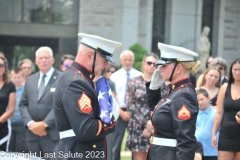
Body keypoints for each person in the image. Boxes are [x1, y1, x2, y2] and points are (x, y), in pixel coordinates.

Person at [53, 33, 121, 160]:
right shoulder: (77, 82)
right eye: (104, 59)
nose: (106, 65)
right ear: (90, 56)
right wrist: (111, 119)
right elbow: (86, 130)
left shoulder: (79, 78)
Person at [145, 42, 201, 160]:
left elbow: (186, 140)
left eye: (165, 65)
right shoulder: (175, 91)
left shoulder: (183, 95)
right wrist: (153, 88)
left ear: (179, 68)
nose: (160, 69)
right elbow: (155, 109)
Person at [19, 47, 61, 159]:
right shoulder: (30, 79)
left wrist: (44, 124)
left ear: (52, 60)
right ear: (36, 61)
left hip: (51, 134)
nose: (43, 60)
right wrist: (31, 124)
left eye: (46, 57)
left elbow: (61, 105)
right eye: (40, 58)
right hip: (32, 135)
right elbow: (23, 104)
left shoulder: (62, 78)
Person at [126, 53, 159, 160]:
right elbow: (130, 105)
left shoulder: (162, 84)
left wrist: (152, 124)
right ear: (143, 63)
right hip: (137, 126)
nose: (152, 66)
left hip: (156, 126)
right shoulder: (134, 82)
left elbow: (162, 105)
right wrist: (146, 123)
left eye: (155, 64)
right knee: (139, 157)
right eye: (149, 63)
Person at [111, 50, 142, 160]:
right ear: (121, 61)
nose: (127, 62)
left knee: (135, 144)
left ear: (133, 61)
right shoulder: (114, 77)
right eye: (125, 60)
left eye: (129, 60)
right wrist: (121, 112)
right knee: (116, 143)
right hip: (119, 112)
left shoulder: (139, 76)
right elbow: (112, 98)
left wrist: (134, 112)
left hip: (135, 113)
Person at [212, 58, 240, 160]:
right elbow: (219, 112)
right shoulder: (225, 87)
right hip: (226, 134)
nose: (237, 72)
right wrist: (214, 133)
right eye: (235, 69)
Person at [195, 88, 218, 160]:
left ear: (208, 98)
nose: (200, 102)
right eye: (198, 100)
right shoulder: (194, 114)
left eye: (202, 99)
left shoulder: (216, 113)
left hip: (213, 152)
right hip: (197, 153)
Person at [9, 67, 27, 153]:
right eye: (14, 77)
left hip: (21, 124)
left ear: (23, 77)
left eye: (18, 77)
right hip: (9, 123)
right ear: (10, 77)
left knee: (20, 148)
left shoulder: (26, 90)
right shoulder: (7, 90)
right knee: (9, 147)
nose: (16, 80)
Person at [0, 53, 16, 151]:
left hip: (2, 127)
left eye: (1, 65)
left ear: (5, 67)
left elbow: (11, 110)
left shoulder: (10, 85)